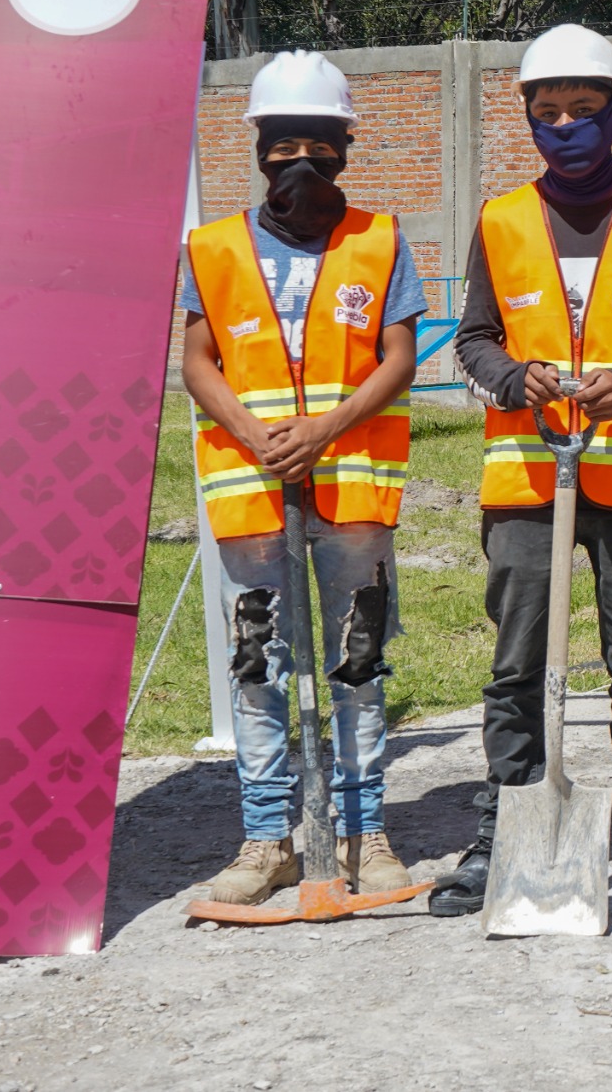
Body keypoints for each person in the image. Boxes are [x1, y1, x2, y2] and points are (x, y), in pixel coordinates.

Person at [427, 24, 612, 918]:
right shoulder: (504, 220)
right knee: (517, 666)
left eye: (582, 110)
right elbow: (473, 337)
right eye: (547, 112)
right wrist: (513, 379)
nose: (564, 126)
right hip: (526, 480)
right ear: (529, 119)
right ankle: (503, 826)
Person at [180, 50, 426, 905]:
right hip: (252, 492)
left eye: (318, 146)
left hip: (353, 491)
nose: (301, 163)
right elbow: (198, 361)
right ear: (258, 150)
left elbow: (400, 358)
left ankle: (365, 832)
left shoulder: (380, 239)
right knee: (259, 665)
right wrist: (258, 435)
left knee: (358, 663)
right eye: (283, 147)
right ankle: (265, 838)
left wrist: (323, 429)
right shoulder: (212, 248)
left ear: (346, 148)